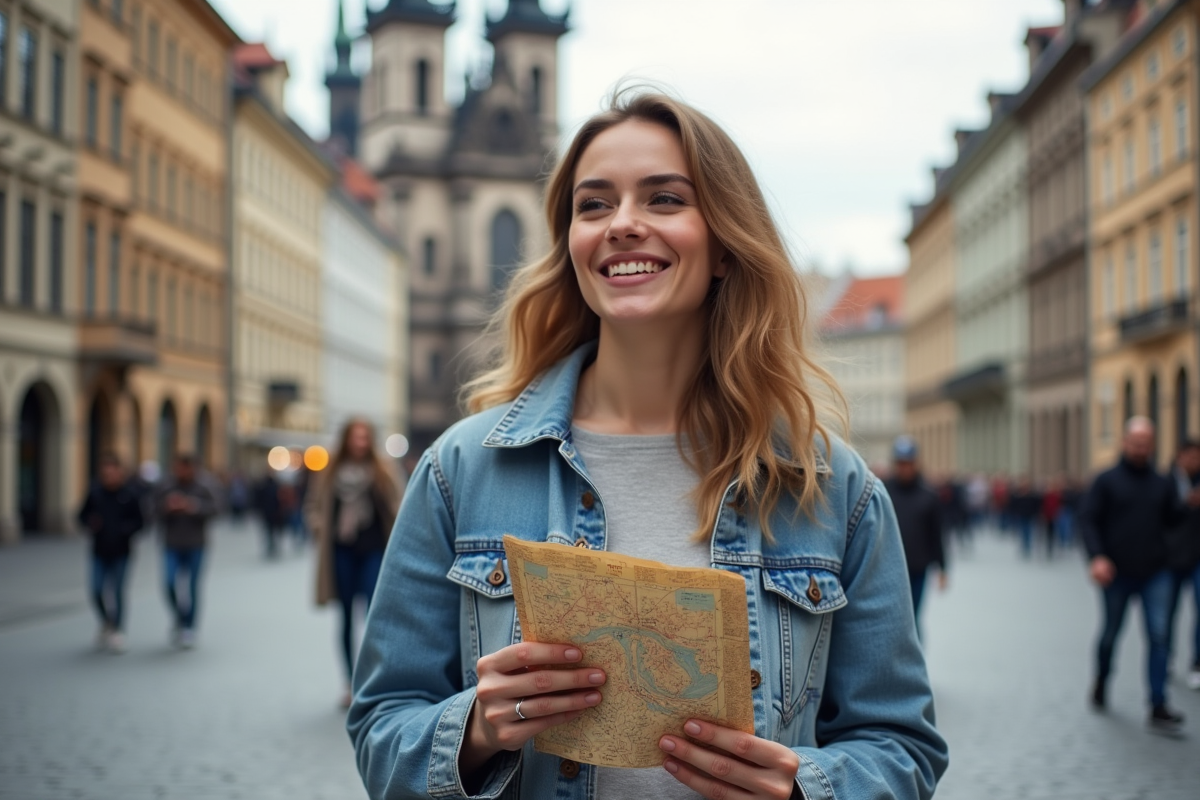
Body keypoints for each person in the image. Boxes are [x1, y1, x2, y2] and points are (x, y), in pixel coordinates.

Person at [347, 90, 947, 800]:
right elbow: (382, 728)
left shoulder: (830, 486)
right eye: (594, 205)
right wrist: (475, 729)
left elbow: (902, 748)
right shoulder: (462, 470)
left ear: (724, 245)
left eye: (664, 199)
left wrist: (804, 788)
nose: (623, 223)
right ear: (571, 246)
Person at [1081, 416, 1188, 734]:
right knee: (1111, 633)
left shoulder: (1162, 483)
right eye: (1136, 443)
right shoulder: (1106, 481)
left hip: (1155, 571)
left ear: (1153, 445)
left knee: (1159, 636)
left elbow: (1173, 519)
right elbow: (1088, 520)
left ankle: (1158, 703)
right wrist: (1097, 557)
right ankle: (1102, 679)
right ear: (1125, 442)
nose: (1141, 449)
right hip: (1115, 572)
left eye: (1146, 443)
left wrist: (1188, 504)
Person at [305, 419, 401, 708]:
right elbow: (313, 506)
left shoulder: (382, 470)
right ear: (346, 439)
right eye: (355, 437)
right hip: (341, 552)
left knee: (373, 615)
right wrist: (318, 526)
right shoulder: (330, 471)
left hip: (373, 550)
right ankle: (349, 682)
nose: (360, 442)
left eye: (364, 437)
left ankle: (372, 681)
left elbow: (399, 503)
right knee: (346, 616)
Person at [77, 453, 146, 653]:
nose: (109, 477)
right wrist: (90, 523)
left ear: (119, 472)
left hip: (122, 551)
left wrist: (126, 530)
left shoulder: (130, 494)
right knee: (96, 590)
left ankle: (118, 629)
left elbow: (141, 522)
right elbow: (81, 515)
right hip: (99, 550)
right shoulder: (95, 493)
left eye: (112, 472)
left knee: (117, 591)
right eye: (105, 473)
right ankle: (107, 621)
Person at [884, 437, 947, 629]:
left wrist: (943, 568)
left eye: (908, 463)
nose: (905, 468)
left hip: (918, 568)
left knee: (913, 617)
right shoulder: (884, 492)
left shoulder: (929, 495)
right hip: (889, 568)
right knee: (891, 617)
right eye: (901, 463)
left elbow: (936, 535)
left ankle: (914, 647)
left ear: (916, 463)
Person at [157, 454, 217, 649]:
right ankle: (180, 617)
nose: (181, 472)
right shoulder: (167, 487)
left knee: (192, 587)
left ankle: (189, 626)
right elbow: (152, 510)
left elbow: (217, 509)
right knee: (169, 583)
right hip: (171, 544)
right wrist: (168, 507)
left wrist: (193, 506)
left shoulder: (203, 487)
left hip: (196, 544)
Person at [1165, 439, 1200, 691]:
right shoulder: (1165, 483)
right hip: (1170, 559)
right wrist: (1185, 503)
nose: (1194, 461)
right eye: (1190, 456)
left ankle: (1197, 663)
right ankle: (1165, 657)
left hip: (1197, 557)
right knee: (1167, 613)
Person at [254, 469, 285, 559]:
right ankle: (273, 546)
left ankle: (271, 546)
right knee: (273, 531)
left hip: (268, 513)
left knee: (269, 531)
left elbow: (258, 500)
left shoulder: (263, 487)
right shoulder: (276, 487)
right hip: (274, 513)